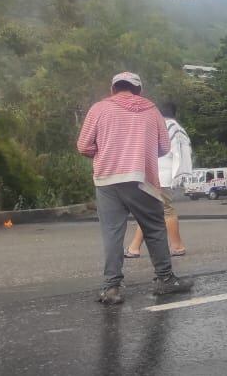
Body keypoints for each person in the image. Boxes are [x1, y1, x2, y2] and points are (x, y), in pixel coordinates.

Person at [77, 72, 193, 305]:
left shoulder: (98, 109)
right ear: (138, 90)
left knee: (112, 233)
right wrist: (142, 149)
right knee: (154, 228)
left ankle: (111, 288)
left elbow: (83, 146)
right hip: (141, 179)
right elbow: (163, 147)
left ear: (114, 89)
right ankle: (165, 279)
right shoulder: (151, 110)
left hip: (107, 180)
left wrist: (104, 152)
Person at [124, 105, 190, 259]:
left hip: (159, 175)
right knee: (148, 211)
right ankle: (134, 247)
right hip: (162, 176)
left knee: (164, 211)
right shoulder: (176, 128)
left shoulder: (168, 127)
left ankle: (177, 246)